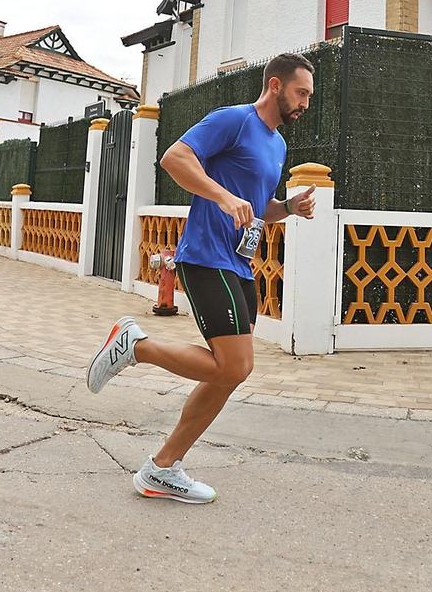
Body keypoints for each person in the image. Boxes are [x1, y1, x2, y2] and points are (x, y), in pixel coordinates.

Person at [85, 52, 317, 504]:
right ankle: (136, 346)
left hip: (238, 265)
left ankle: (163, 468)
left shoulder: (277, 144)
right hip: (206, 257)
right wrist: (223, 196)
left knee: (227, 374)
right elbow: (175, 158)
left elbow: (258, 203)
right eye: (301, 92)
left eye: (308, 94)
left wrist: (288, 209)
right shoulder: (232, 120)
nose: (305, 102)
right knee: (235, 365)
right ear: (275, 85)